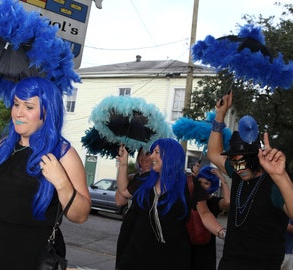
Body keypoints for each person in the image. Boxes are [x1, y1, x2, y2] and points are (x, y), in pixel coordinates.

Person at [0, 77, 91, 270]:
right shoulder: (4, 146)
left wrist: (62, 184)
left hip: (30, 259)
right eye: (16, 104)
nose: (18, 113)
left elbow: (80, 216)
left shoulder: (63, 153)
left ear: (47, 111)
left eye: (29, 107)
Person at [207, 90, 293, 270]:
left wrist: (280, 176)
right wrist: (220, 115)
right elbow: (214, 153)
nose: (238, 168)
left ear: (255, 158)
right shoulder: (239, 172)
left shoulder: (273, 184)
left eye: (243, 162)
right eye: (234, 162)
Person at [115, 138, 191, 270]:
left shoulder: (187, 184)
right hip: (137, 253)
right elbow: (123, 191)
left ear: (169, 155)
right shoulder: (145, 179)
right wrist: (123, 163)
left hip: (169, 257)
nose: (151, 156)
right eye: (152, 152)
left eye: (156, 152)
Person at [115, 147, 152, 269]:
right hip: (129, 225)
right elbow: (119, 201)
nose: (143, 157)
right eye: (140, 154)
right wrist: (124, 176)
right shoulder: (136, 178)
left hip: (144, 230)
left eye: (148, 154)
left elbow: (124, 192)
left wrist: (123, 163)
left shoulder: (153, 178)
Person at [191, 165, 230, 270]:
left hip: (206, 247)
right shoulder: (192, 197)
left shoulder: (214, 201)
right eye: (200, 182)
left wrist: (222, 179)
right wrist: (194, 177)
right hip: (189, 245)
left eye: (206, 183)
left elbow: (227, 202)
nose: (202, 186)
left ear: (212, 185)